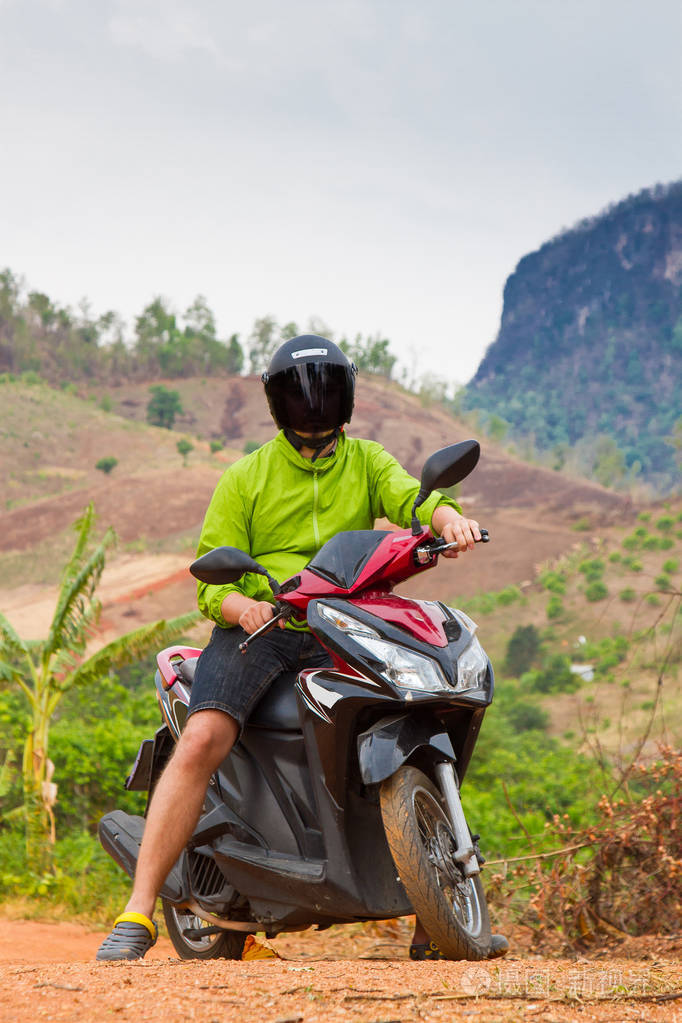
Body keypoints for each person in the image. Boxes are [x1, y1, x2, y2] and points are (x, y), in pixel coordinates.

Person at [96, 335, 508, 963]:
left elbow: (416, 499)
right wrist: (244, 607)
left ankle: (435, 915)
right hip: (261, 631)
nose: (313, 404)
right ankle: (137, 911)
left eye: (326, 389)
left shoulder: (367, 460)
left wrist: (449, 520)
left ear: (347, 396)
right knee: (203, 736)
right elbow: (211, 586)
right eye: (298, 392)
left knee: (413, 711)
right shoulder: (247, 476)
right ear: (276, 403)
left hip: (344, 622)